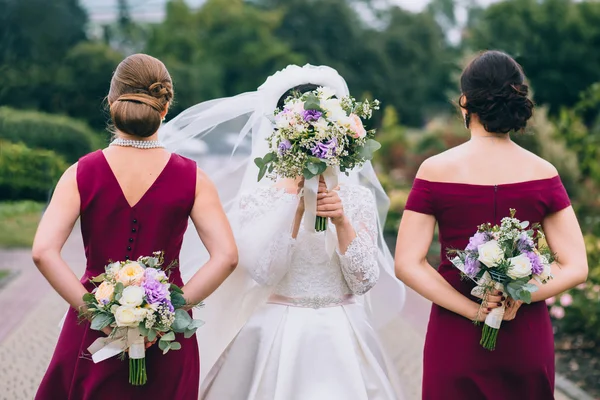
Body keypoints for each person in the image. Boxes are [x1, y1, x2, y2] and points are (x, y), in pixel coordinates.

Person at [160, 64, 407, 399]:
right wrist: (294, 210)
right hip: (278, 329)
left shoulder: (356, 198)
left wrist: (341, 221)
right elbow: (264, 273)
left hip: (342, 333)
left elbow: (363, 280)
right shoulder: (260, 199)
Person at [33, 53, 238, 400]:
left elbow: (43, 252)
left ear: (113, 101)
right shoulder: (194, 178)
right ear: (165, 106)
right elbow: (227, 257)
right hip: (167, 338)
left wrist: (98, 313)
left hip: (93, 333)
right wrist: (165, 313)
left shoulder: (80, 172)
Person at [395, 50, 588, 400]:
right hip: (525, 335)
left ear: (465, 103)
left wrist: (475, 310)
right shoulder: (543, 172)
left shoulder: (434, 170)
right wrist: (519, 293)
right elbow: (575, 266)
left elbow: (407, 263)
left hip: (455, 336)